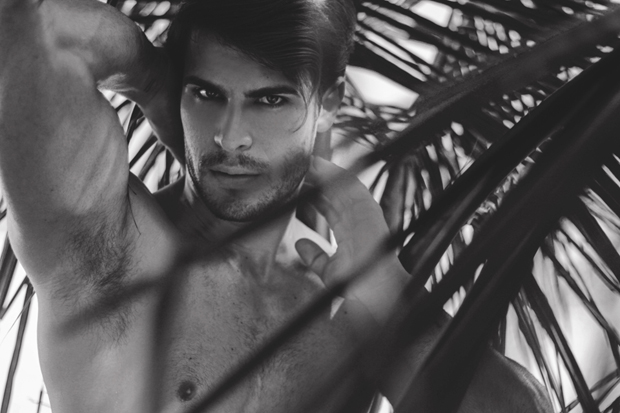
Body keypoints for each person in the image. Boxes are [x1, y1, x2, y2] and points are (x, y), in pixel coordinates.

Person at [0, 0, 554, 412]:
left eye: (269, 100)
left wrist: (390, 292)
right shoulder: (112, 256)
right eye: (208, 93)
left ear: (329, 104)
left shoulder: (352, 312)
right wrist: (150, 77)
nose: (229, 137)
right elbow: (29, 26)